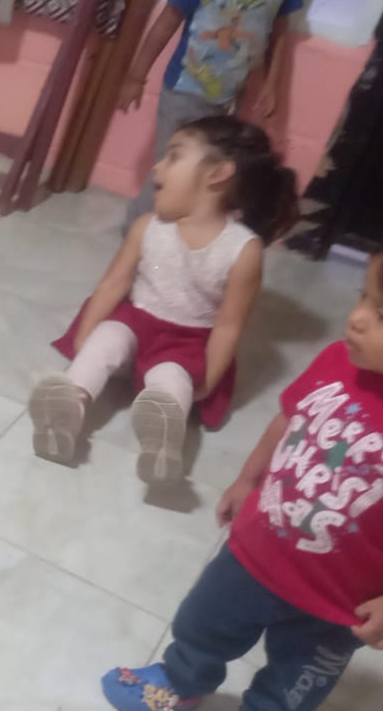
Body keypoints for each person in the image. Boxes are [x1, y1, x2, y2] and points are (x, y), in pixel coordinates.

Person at [100, 215, 383, 711]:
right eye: (363, 296)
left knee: (297, 679)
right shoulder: (338, 361)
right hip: (255, 550)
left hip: (339, 599)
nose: (358, 317)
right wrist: (247, 479)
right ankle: (182, 681)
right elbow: (288, 420)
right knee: (203, 623)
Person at [29, 116, 298, 484]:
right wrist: (83, 340)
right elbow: (112, 285)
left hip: (186, 343)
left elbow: (228, 325)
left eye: (174, 156)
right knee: (106, 338)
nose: (158, 166)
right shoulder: (148, 226)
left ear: (217, 173)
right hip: (135, 322)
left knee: (171, 378)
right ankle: (65, 413)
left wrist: (208, 380)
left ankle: (162, 446)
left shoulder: (243, 251)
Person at [119, 0, 303, 230]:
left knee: (208, 173)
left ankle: (179, 232)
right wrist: (135, 77)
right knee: (171, 167)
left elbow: (278, 35)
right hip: (184, 94)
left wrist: (271, 84)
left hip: (230, 99)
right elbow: (164, 25)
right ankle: (138, 231)